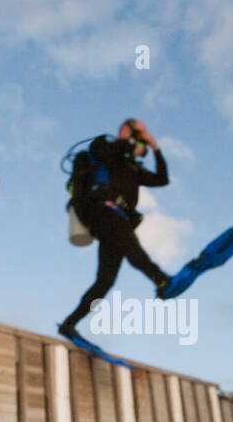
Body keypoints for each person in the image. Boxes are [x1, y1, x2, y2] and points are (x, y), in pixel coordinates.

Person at [58, 118, 173, 342]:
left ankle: (69, 323)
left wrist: (155, 147)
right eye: (139, 132)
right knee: (133, 249)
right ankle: (162, 281)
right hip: (101, 210)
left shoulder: (131, 166)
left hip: (115, 219)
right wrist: (132, 141)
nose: (142, 140)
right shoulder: (104, 145)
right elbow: (105, 152)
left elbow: (162, 179)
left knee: (105, 281)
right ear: (125, 130)